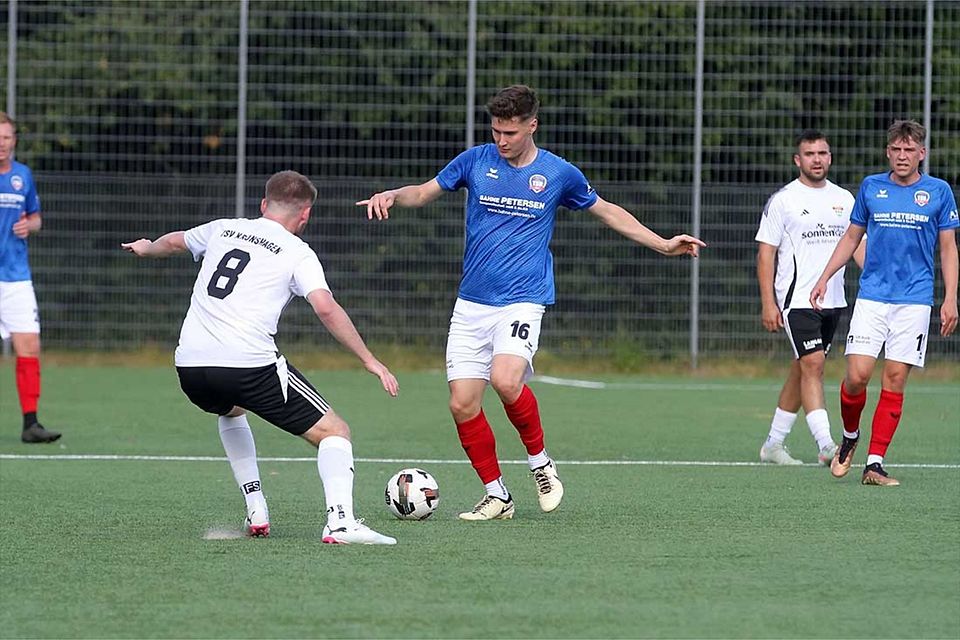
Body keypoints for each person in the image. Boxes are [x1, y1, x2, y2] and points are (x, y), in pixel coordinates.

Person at [357, 84, 705, 521]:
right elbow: (423, 192)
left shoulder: (558, 174)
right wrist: (393, 194)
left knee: (505, 380)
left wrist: (662, 244)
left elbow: (608, 211)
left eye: (510, 132)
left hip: (523, 300)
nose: (501, 140)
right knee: (462, 403)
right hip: (471, 304)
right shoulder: (475, 160)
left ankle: (541, 464)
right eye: (496, 130)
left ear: (531, 125)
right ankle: (497, 495)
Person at [122, 170, 400, 544]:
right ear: (305, 216)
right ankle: (341, 523)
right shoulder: (298, 251)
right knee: (335, 432)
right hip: (246, 365)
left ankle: (256, 507)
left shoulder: (224, 228)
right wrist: (369, 359)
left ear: (264, 205)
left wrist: (147, 246)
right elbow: (325, 308)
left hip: (189, 366)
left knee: (231, 409)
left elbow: (174, 242)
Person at [810, 119, 959, 486]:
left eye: (910, 150)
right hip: (873, 296)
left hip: (915, 300)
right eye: (897, 149)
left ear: (921, 154)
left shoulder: (938, 191)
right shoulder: (871, 187)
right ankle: (849, 437)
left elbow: (948, 248)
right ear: (888, 152)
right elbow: (851, 237)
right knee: (857, 376)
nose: (903, 156)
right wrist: (824, 276)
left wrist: (950, 298)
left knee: (894, 380)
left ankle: (874, 463)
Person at [755, 129, 862, 466]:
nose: (817, 159)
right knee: (813, 365)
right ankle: (827, 445)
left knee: (803, 368)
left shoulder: (845, 198)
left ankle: (773, 443)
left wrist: (877, 278)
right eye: (810, 154)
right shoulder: (784, 200)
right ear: (797, 160)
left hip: (833, 300)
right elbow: (765, 254)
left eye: (823, 153)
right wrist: (769, 303)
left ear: (830, 157)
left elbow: (857, 244)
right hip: (797, 300)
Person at [0, 112, 63, 444]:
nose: (2, 143)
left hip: (16, 279)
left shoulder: (22, 176)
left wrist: (30, 226)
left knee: (29, 347)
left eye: (7, 137)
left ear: (14, 140)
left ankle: (30, 424)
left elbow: (36, 218)